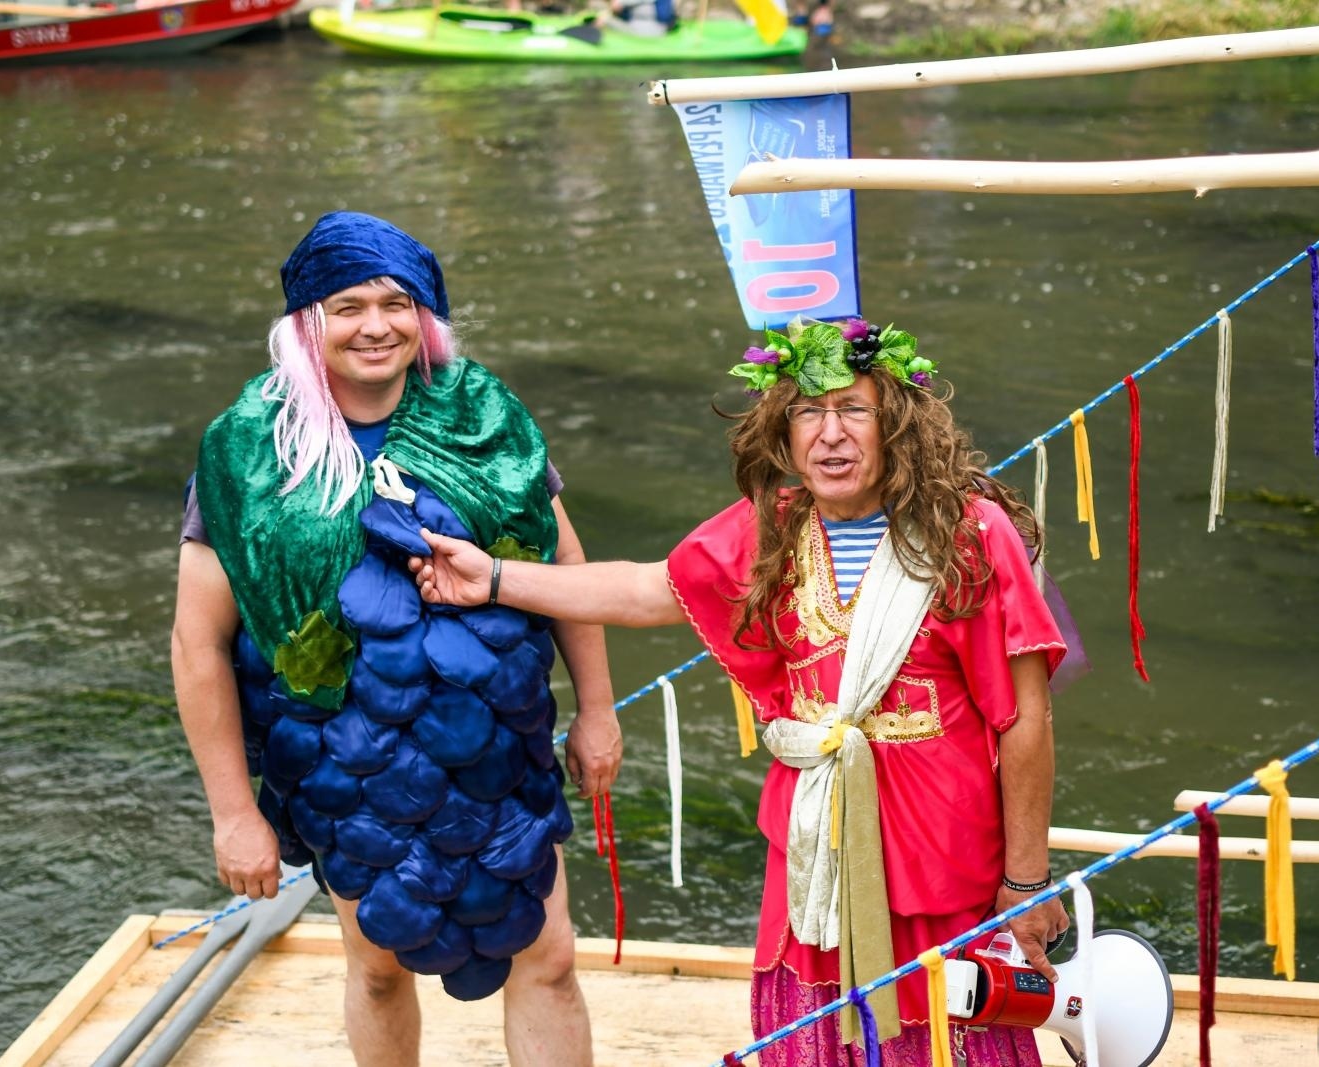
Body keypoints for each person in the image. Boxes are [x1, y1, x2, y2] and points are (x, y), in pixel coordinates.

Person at [412, 317, 1072, 1067]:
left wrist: (1026, 879)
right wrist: (495, 578)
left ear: (897, 425)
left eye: (853, 411)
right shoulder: (773, 532)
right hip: (812, 849)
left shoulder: (969, 536)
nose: (830, 434)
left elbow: (1024, 717)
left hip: (944, 851)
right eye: (808, 413)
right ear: (783, 433)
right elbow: (642, 589)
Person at [171, 211, 622, 1067]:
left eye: (395, 303)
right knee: (378, 967)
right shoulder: (248, 451)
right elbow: (198, 644)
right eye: (347, 307)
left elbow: (564, 562)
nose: (375, 326)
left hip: (499, 741)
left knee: (549, 954)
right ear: (307, 322)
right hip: (341, 756)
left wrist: (596, 709)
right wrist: (233, 813)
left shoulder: (484, 414)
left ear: (424, 314)